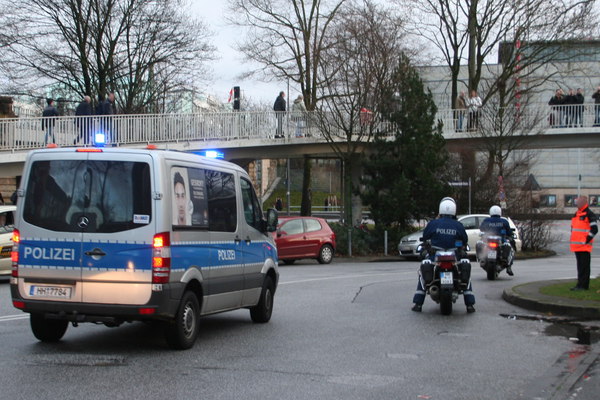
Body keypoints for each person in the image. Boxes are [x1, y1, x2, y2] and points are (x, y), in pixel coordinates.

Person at [411, 197, 476, 313]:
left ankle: (418, 304)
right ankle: (469, 305)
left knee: (423, 272)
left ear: (440, 210)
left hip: (435, 256)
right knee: (465, 270)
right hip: (454, 256)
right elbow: (465, 240)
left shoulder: (433, 223)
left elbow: (425, 237)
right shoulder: (458, 225)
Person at [569, 196, 597, 291]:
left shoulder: (589, 214)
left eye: (579, 201)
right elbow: (573, 228)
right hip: (577, 246)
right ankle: (579, 284)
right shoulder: (576, 214)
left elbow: (594, 229)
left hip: (584, 246)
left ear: (585, 202)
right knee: (580, 267)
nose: (577, 203)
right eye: (577, 201)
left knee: (584, 267)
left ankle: (584, 286)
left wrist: (586, 240)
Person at [477, 205, 515, 276]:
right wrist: (510, 235)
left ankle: (481, 258)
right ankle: (508, 266)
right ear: (500, 212)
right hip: (500, 242)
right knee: (510, 248)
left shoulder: (486, 220)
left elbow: (482, 229)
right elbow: (509, 232)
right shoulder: (504, 221)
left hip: (488, 242)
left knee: (479, 243)